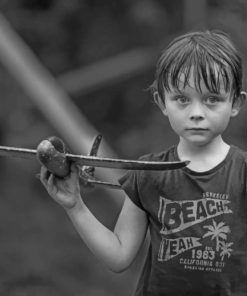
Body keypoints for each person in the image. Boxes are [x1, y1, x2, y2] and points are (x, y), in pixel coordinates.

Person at [40, 30, 247, 296]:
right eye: (182, 99)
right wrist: (75, 206)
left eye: (212, 99)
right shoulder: (148, 174)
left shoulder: (242, 172)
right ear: (162, 102)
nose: (197, 113)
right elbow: (119, 256)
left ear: (236, 103)